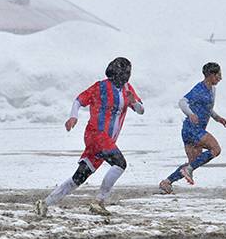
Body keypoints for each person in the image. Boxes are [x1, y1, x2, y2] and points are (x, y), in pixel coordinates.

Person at [35, 57, 144, 217]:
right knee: (120, 164)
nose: (124, 76)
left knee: (79, 177)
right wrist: (73, 116)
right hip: (96, 135)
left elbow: (141, 110)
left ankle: (45, 203)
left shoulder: (127, 89)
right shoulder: (100, 87)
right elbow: (79, 100)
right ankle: (99, 201)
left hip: (106, 141)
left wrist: (133, 102)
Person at [159, 62, 226, 194]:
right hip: (192, 129)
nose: (220, 78)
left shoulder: (212, 89)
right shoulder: (199, 88)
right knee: (216, 149)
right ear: (210, 75)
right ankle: (187, 170)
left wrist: (217, 118)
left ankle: (167, 182)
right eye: (218, 75)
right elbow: (182, 102)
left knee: (193, 163)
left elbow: (208, 108)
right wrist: (190, 114)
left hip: (192, 130)